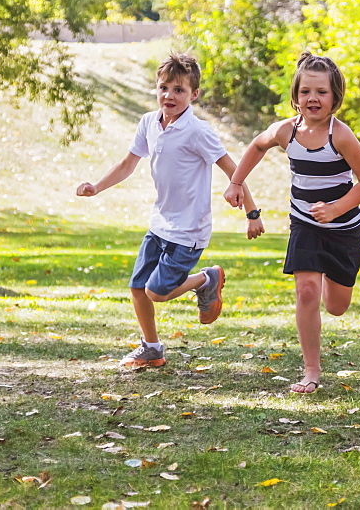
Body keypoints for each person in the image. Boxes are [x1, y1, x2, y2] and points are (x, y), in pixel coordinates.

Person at [77, 54, 264, 369]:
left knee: (157, 292)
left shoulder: (198, 131)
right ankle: (151, 349)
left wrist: (252, 213)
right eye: (164, 88)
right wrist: (97, 187)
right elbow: (127, 164)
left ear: (194, 94)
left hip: (189, 231)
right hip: (160, 224)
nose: (169, 95)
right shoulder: (149, 122)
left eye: (178, 89)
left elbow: (235, 171)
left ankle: (206, 279)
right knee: (138, 288)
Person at [224, 52, 360, 394]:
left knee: (336, 307)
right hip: (304, 225)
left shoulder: (341, 136)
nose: (313, 98)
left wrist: (337, 208)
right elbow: (256, 145)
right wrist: (236, 182)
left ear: (335, 97)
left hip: (343, 230)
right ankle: (311, 370)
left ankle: (329, 286)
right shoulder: (285, 131)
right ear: (295, 96)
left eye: (321, 92)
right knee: (307, 290)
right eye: (306, 91)